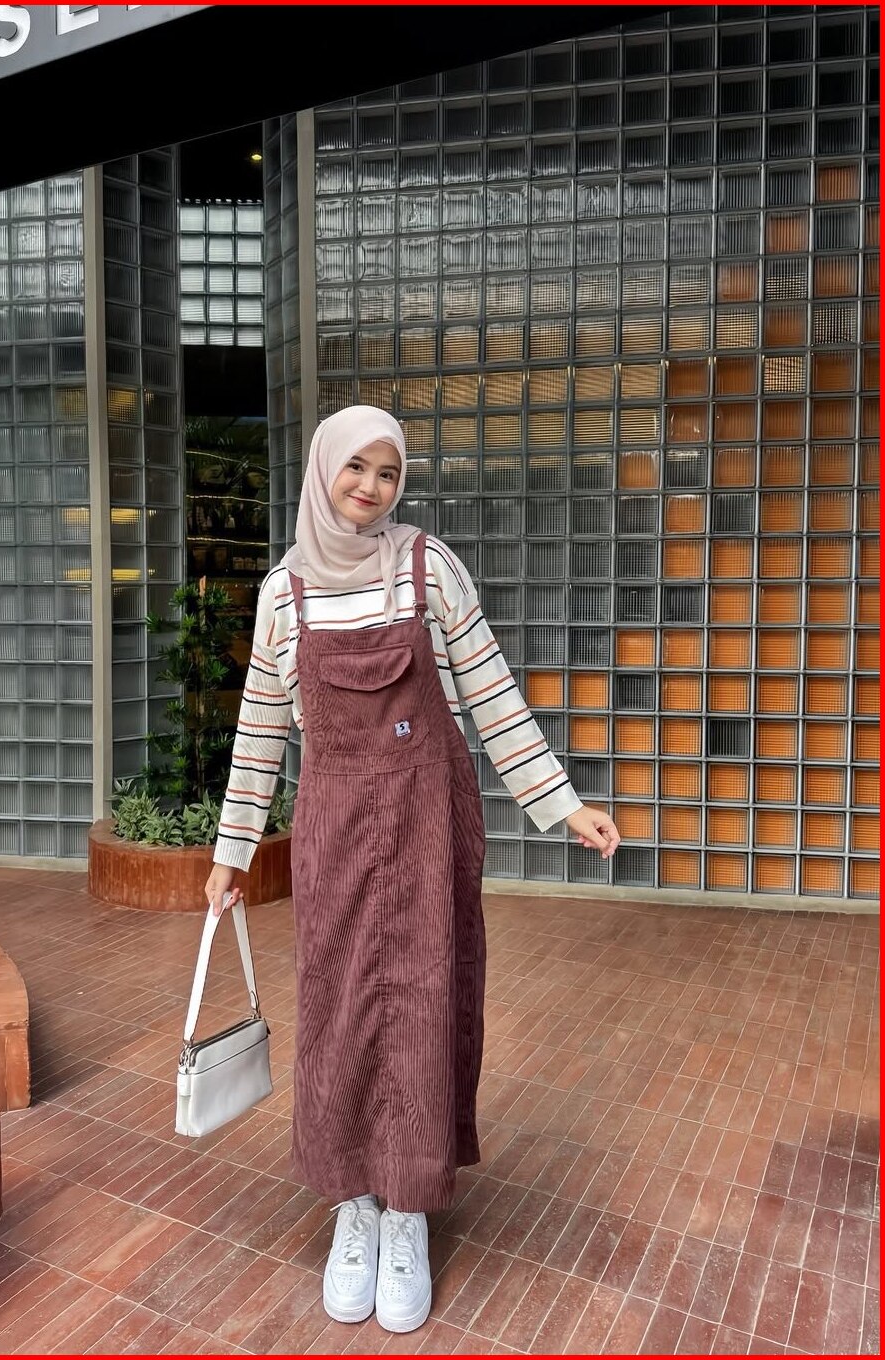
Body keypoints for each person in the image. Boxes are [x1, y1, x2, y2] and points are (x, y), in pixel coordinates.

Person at [205, 405, 620, 1334]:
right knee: (339, 1004)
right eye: (356, 466)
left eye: (389, 472)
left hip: (429, 819)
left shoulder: (429, 568)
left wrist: (562, 804)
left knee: (428, 1002)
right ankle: (355, 1203)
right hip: (334, 830)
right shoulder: (283, 595)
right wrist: (233, 851)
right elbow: (260, 732)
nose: (372, 487)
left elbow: (492, 694)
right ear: (324, 470)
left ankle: (408, 1213)